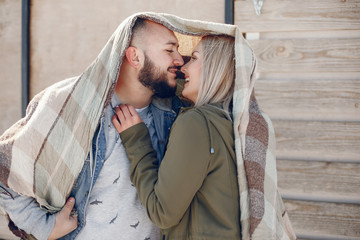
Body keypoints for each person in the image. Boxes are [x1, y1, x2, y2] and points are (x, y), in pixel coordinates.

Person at [0, 17, 184, 240]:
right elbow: (4, 173)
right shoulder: (72, 104)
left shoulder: (177, 113)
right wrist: (44, 227)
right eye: (169, 50)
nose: (179, 59)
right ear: (135, 56)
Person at [112, 35, 241, 239]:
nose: (184, 68)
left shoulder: (197, 123)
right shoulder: (227, 121)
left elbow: (162, 212)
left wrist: (137, 141)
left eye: (195, 59)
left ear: (216, 69)